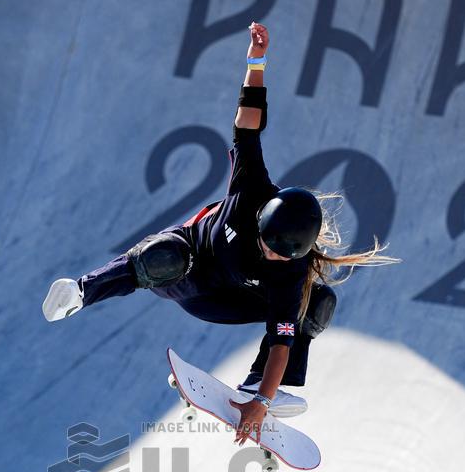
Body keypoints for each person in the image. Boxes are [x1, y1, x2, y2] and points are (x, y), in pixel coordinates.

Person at [43, 22, 398, 445]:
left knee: (316, 303)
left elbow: (281, 341)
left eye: (283, 257)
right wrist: (256, 62)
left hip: (226, 302)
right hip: (188, 271)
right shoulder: (252, 189)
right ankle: (82, 292)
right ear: (263, 223)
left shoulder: (292, 270)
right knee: (162, 257)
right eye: (268, 247)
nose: (272, 258)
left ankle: (256, 382)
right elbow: (248, 123)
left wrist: (260, 402)